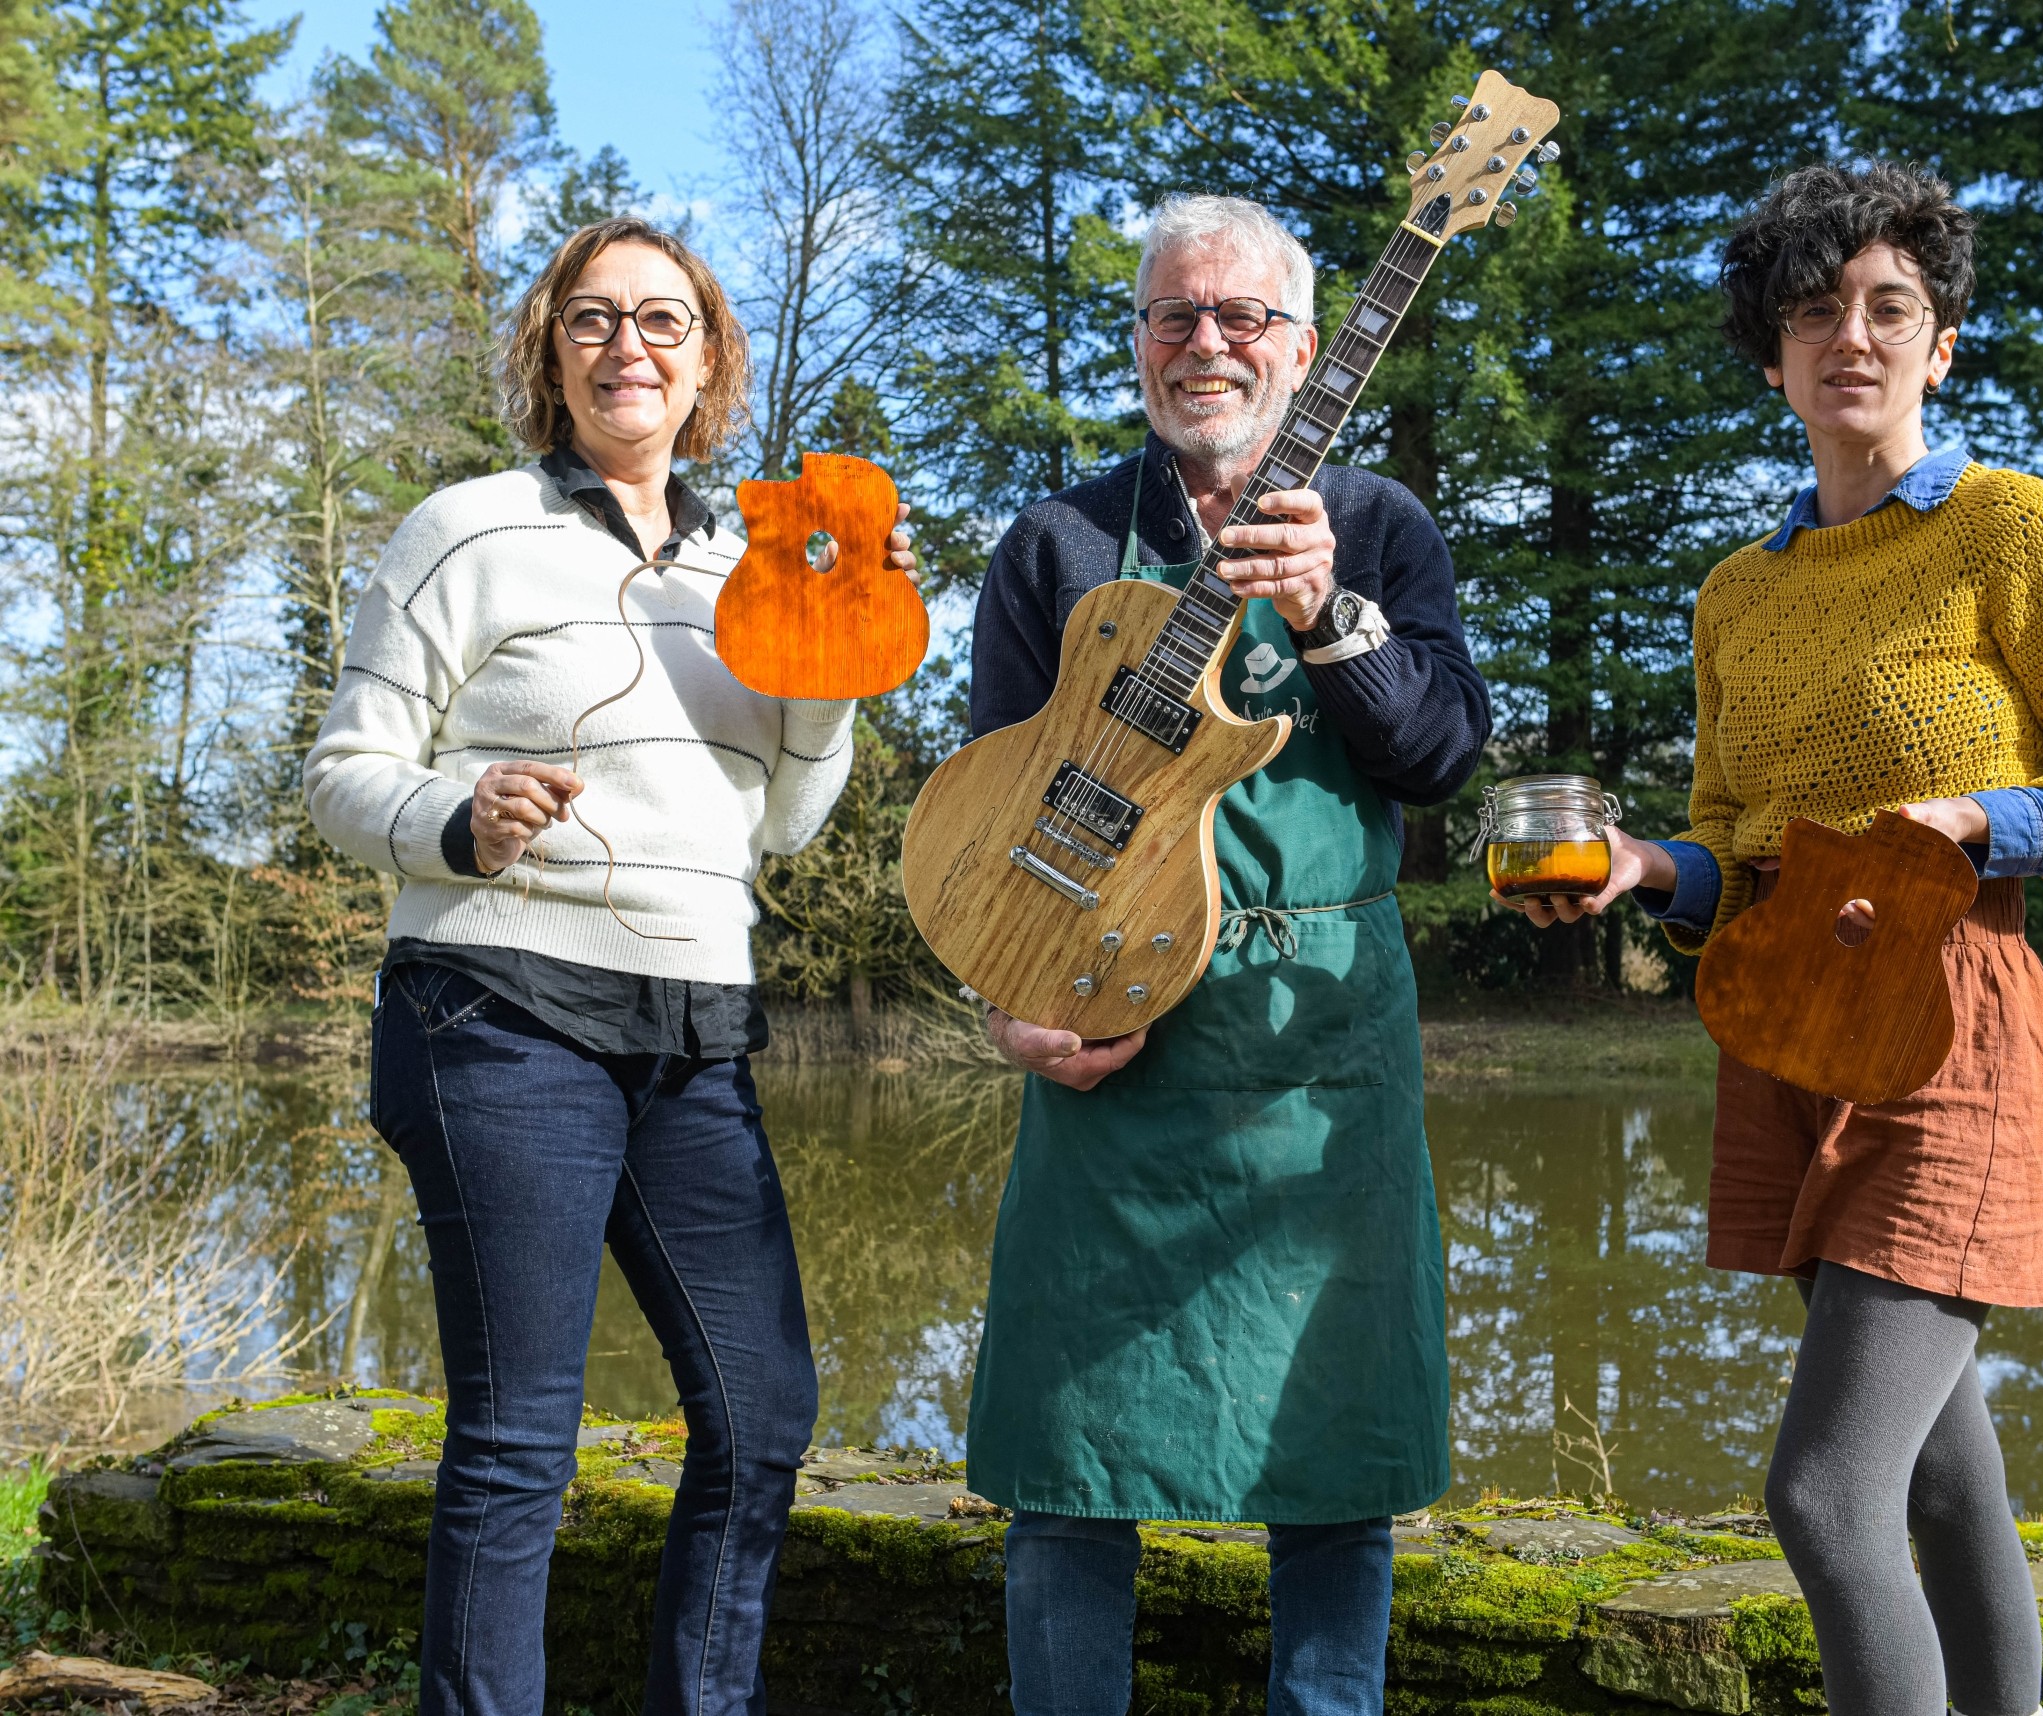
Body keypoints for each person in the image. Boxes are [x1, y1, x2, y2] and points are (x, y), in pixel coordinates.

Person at [1504, 162, 2043, 1716]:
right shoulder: (1738, 594)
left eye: (1891, 308)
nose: (1853, 339)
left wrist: (1971, 822)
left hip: (1957, 1031)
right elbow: (1738, 855)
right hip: (1792, 1037)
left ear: (1942, 344)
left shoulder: (2019, 532)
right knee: (1940, 1492)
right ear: (1773, 359)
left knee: (1821, 1495)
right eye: (1815, 315)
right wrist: (1633, 871)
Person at [304, 216, 914, 1716]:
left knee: (764, 1418)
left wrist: (828, 685)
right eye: (590, 318)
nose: (625, 345)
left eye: (661, 319)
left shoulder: (751, 559)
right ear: (548, 353)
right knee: (520, 1438)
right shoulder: (466, 527)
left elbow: (782, 819)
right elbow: (340, 778)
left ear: (708, 358)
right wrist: (461, 813)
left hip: (696, 1027)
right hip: (496, 1009)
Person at [959, 193, 1490, 1716]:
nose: (1208, 341)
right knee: (1070, 1460)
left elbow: (1444, 756)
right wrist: (1014, 1005)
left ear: (1306, 345)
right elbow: (1000, 808)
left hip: (1324, 1052)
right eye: (1175, 314)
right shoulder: (1055, 539)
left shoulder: (1382, 525)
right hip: (1115, 1035)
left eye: (1242, 315)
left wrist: (1332, 611)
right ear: (1139, 340)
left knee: (1335, 1457)